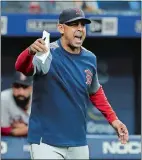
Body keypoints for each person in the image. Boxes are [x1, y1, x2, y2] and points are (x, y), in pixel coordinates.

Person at [15, 8, 129, 159]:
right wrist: (29, 52)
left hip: (77, 142)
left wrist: (114, 120)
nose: (80, 29)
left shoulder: (90, 58)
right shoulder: (47, 52)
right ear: (61, 28)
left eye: (82, 25)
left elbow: (95, 92)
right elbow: (22, 68)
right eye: (74, 24)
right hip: (46, 142)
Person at [1, 71, 33, 136]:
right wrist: (32, 128)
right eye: (17, 86)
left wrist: (25, 129)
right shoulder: (3, 98)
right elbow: (3, 129)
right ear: (12, 86)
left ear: (31, 88)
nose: (21, 92)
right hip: (11, 140)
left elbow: (48, 127)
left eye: (25, 87)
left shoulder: (40, 99)